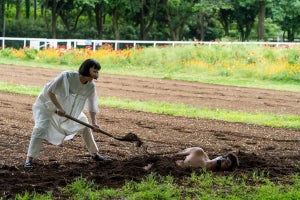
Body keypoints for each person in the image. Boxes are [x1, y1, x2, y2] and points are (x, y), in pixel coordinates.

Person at [24, 58, 111, 168]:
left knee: (85, 123)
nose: (96, 73)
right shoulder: (67, 76)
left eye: (97, 71)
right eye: (94, 70)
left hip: (68, 110)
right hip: (47, 106)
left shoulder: (90, 86)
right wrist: (59, 108)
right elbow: (50, 92)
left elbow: (92, 105)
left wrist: (94, 123)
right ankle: (29, 159)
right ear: (86, 69)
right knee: (40, 128)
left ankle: (95, 154)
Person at [174, 147, 239, 171]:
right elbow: (175, 155)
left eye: (227, 163)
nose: (223, 160)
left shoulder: (209, 175)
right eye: (224, 157)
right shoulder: (199, 152)